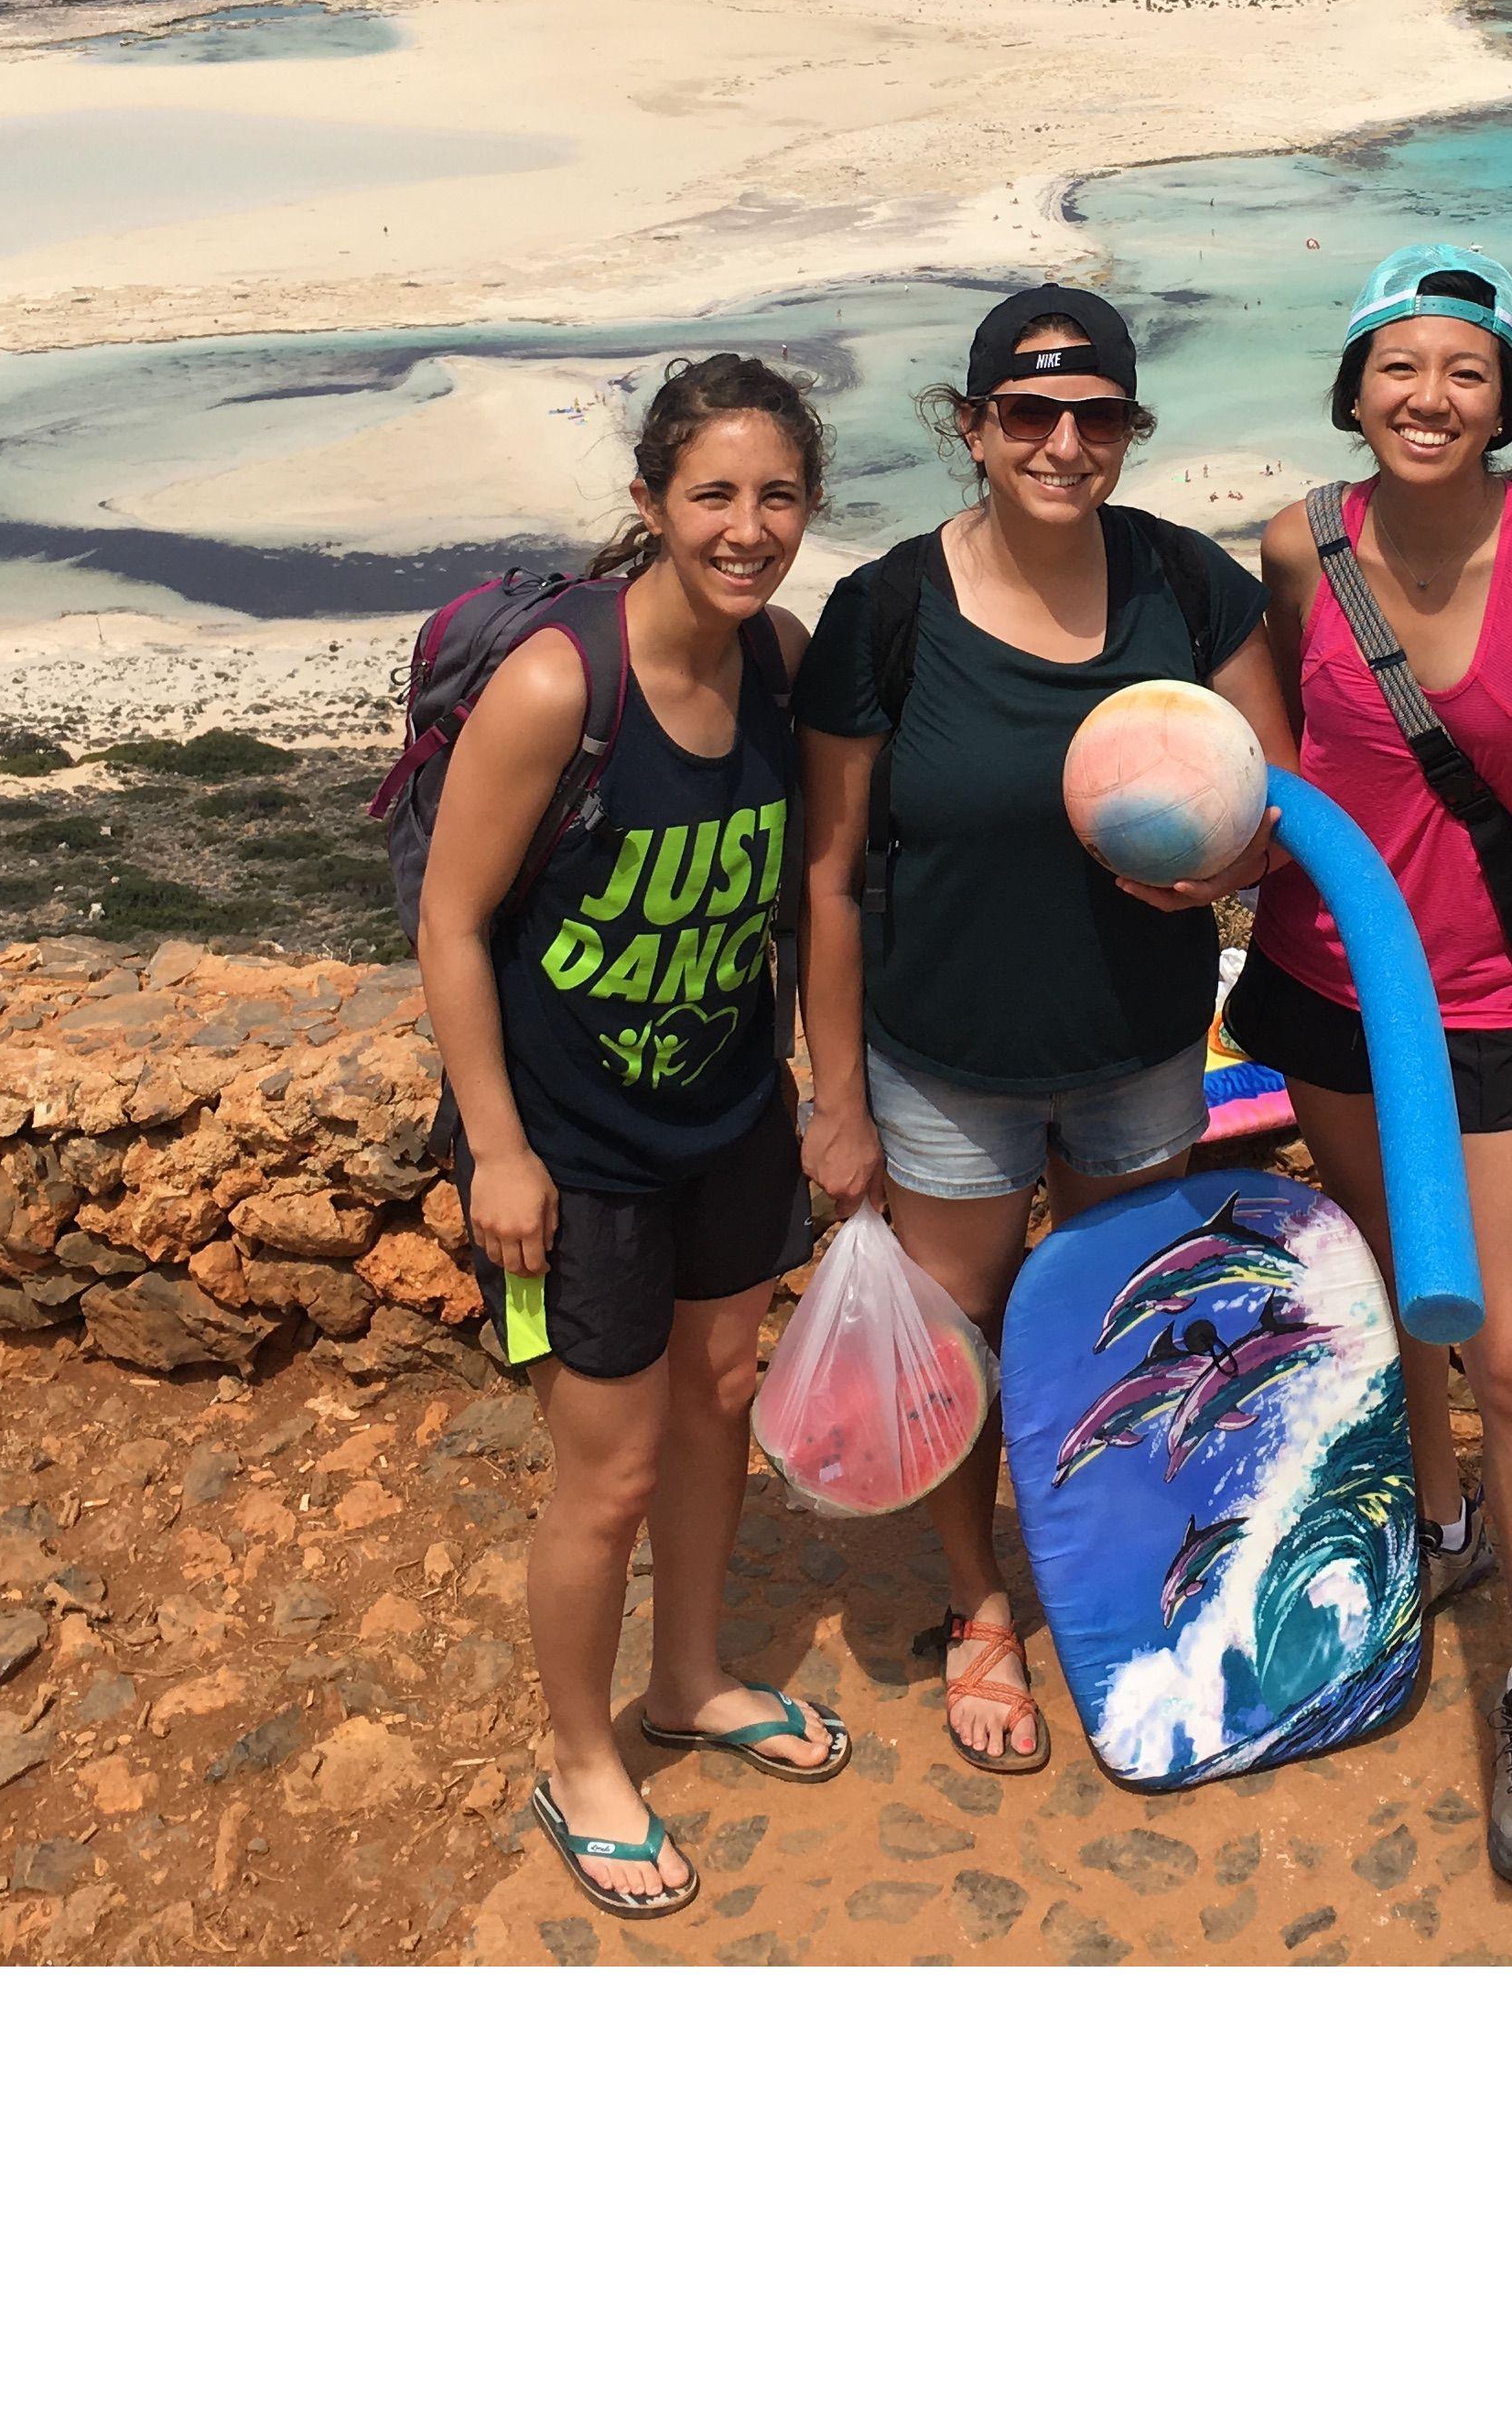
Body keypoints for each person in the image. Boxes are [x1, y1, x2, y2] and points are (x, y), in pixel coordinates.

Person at [794, 286, 1293, 1772]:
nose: (1063, 444)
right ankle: (979, 1600)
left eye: (1097, 417)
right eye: (1028, 413)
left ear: (1131, 430)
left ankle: (1122, 1583)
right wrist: (836, 1096)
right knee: (957, 1345)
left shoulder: (1187, 586)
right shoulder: (885, 611)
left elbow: (1271, 809)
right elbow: (827, 873)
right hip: (943, 1063)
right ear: (972, 426)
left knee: (1117, 1334)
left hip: (1141, 1048)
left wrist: (1221, 872)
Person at [416, 353, 844, 1924]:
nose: (747, 528)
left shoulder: (780, 662)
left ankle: (690, 1679)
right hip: (574, 1154)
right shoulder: (559, 686)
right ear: (653, 502)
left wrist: (826, 1090)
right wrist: (498, 1148)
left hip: (729, 1116)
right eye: (713, 494)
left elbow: (809, 896)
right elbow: (453, 923)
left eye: (778, 496)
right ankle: (581, 1757)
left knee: (720, 1402)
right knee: (607, 1475)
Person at [1234, 243, 1512, 1886]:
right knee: (1400, 1284)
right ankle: (1443, 1527)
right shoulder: (1297, 547)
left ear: (1505, 401)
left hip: (1485, 1012)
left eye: (1466, 372)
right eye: (1399, 368)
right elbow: (1275, 756)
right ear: (1354, 392)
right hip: (1324, 985)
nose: (1431, 398)